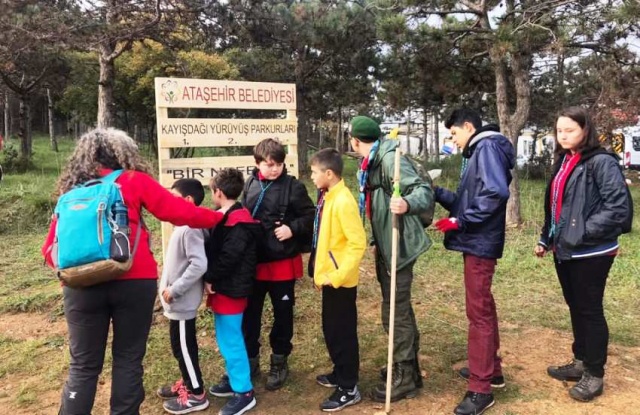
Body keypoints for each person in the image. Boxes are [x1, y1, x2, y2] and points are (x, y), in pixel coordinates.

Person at [41, 128, 224, 415]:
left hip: (81, 287)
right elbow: (179, 212)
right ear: (122, 154)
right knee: (128, 358)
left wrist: (80, 273)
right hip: (133, 281)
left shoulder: (72, 193)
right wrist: (221, 216)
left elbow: (50, 250)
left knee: (83, 365)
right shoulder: (133, 181)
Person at [534, 107, 631, 402]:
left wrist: (580, 232)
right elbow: (557, 204)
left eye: (570, 130)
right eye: (559, 130)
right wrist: (546, 236)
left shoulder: (601, 162)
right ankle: (580, 361)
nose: (563, 135)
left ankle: (594, 372)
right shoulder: (565, 159)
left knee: (589, 310)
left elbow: (618, 209)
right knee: (575, 306)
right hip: (566, 249)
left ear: (585, 131)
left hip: (593, 251)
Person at [433, 108, 514, 415]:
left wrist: (461, 221)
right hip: (477, 240)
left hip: (480, 243)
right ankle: (491, 370)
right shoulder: (479, 151)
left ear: (468, 127)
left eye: (453, 133)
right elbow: (470, 199)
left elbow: (494, 194)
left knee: (477, 312)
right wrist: (438, 193)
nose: (452, 140)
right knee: (484, 305)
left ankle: (481, 390)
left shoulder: (487, 147)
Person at [348, 115, 434, 402]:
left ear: (355, 140)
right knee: (397, 308)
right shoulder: (373, 159)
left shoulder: (388, 158)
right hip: (386, 243)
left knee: (395, 310)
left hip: (400, 244)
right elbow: (378, 204)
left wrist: (408, 203)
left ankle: (405, 375)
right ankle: (409, 368)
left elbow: (422, 191)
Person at [240, 138, 315, 390]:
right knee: (250, 315)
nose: (274, 169)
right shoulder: (249, 184)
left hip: (282, 262)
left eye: (279, 164)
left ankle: (279, 360)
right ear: (257, 163)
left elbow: (310, 214)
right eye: (269, 164)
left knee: (282, 315)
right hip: (253, 262)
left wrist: (292, 229)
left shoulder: (293, 187)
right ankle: (250, 361)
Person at [308, 149, 366, 412]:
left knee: (342, 333)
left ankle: (349, 386)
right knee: (331, 330)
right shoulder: (328, 196)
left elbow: (357, 243)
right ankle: (339, 372)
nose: (311, 176)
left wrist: (337, 275)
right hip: (329, 278)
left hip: (339, 281)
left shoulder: (343, 201)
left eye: (314, 172)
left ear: (328, 174)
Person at [204, 168, 262, 415]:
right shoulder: (229, 217)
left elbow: (228, 258)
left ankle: (244, 392)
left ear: (218, 192)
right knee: (227, 337)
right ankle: (234, 378)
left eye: (211, 192)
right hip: (226, 288)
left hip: (231, 289)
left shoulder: (238, 223)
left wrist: (210, 277)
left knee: (231, 340)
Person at [156, 179, 210, 414]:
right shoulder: (184, 224)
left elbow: (199, 264)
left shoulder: (191, 227)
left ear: (187, 201)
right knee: (179, 347)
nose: (169, 202)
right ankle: (186, 384)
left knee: (184, 348)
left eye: (174, 196)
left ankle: (197, 394)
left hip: (181, 301)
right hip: (176, 303)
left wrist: (175, 288)